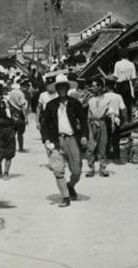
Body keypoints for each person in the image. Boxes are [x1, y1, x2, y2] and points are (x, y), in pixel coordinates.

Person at [43, 74, 88, 207]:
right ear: (56, 89)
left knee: (77, 171)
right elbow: (45, 124)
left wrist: (84, 135)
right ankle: (65, 197)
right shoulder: (51, 105)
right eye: (59, 87)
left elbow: (84, 121)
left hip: (72, 139)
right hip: (56, 140)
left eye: (64, 87)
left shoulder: (75, 103)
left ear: (67, 88)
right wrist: (46, 139)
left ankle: (70, 185)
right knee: (58, 170)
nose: (61, 89)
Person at [85, 78, 110, 177]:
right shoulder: (90, 99)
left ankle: (102, 169)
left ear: (100, 87)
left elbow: (110, 111)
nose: (93, 88)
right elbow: (83, 107)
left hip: (102, 123)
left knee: (102, 146)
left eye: (95, 86)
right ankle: (91, 168)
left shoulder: (106, 99)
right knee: (90, 147)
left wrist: (112, 119)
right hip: (91, 124)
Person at [103, 76, 127, 161]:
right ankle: (117, 158)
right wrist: (125, 121)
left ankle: (105, 157)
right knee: (116, 140)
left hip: (106, 120)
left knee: (106, 139)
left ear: (106, 86)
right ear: (114, 86)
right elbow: (123, 109)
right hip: (116, 120)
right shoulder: (118, 97)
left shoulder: (103, 96)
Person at [113, 49, 136, 122]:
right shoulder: (131, 64)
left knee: (120, 103)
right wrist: (132, 87)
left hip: (120, 84)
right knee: (128, 103)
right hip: (127, 84)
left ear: (120, 56)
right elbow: (133, 78)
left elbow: (115, 77)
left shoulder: (117, 64)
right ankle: (129, 119)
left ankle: (122, 120)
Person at [7, 80, 30, 152]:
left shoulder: (12, 92)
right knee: (20, 133)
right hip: (19, 113)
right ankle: (21, 148)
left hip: (12, 113)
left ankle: (11, 148)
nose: (27, 90)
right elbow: (23, 106)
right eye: (26, 88)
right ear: (23, 87)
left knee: (12, 132)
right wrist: (26, 117)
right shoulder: (21, 94)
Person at [36, 76, 57, 144]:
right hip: (45, 118)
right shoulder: (42, 95)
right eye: (48, 84)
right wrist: (37, 122)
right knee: (46, 141)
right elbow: (39, 108)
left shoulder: (58, 94)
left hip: (56, 118)